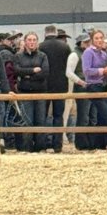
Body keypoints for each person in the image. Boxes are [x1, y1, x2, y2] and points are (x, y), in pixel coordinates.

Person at [82, 30, 107, 150]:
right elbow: (86, 71)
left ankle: (97, 145)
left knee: (102, 117)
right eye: (97, 38)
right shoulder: (88, 52)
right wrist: (103, 71)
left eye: (101, 38)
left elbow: (106, 72)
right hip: (93, 86)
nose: (99, 40)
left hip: (103, 85)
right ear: (92, 39)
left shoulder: (103, 54)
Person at [13, 32, 49, 152]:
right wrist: (33, 70)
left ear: (37, 42)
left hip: (40, 92)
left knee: (40, 120)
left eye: (34, 39)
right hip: (25, 92)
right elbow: (16, 71)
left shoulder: (43, 56)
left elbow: (45, 73)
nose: (32, 42)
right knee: (27, 120)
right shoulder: (18, 56)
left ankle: (41, 147)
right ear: (25, 42)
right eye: (29, 39)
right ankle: (27, 148)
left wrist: (27, 76)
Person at [39, 25, 72, 153]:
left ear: (45, 33)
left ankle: (45, 143)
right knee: (58, 115)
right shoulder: (65, 47)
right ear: (56, 32)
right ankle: (57, 145)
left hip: (44, 85)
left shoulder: (40, 46)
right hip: (61, 85)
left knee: (45, 115)